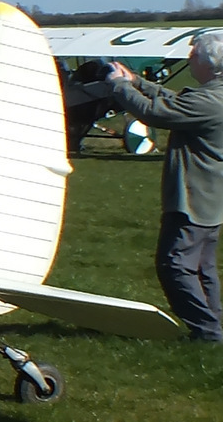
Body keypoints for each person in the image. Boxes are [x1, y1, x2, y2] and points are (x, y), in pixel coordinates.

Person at [95, 36, 223, 342]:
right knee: (202, 268)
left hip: (194, 198)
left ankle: (207, 332)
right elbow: (175, 101)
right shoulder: (211, 97)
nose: (190, 59)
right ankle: (213, 326)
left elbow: (156, 114)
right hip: (213, 199)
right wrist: (137, 81)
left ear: (210, 62)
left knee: (174, 264)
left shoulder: (208, 101)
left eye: (194, 55)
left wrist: (119, 86)